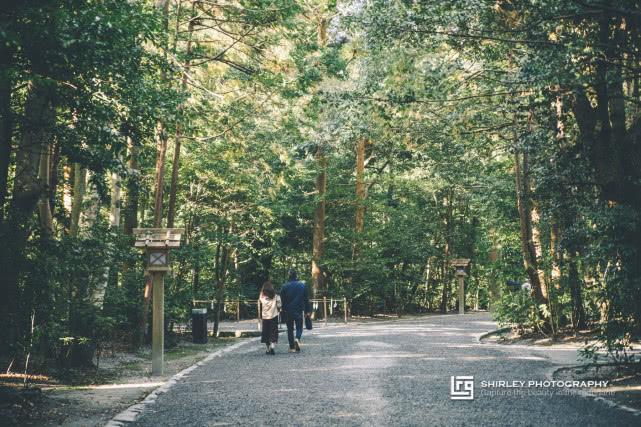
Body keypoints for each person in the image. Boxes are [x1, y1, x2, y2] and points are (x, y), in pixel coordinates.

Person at [280, 270, 311, 353]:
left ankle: (291, 347)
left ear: (289, 276)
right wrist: (307, 311)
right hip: (299, 309)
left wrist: (282, 310)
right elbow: (306, 299)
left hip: (288, 310)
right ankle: (297, 338)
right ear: (296, 275)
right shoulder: (302, 285)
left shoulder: (284, 286)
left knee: (290, 329)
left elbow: (282, 300)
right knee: (299, 326)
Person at [259, 281, 281, 355]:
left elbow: (260, 299)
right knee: (273, 332)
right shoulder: (276, 296)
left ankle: (268, 349)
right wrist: (278, 308)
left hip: (265, 317)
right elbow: (279, 305)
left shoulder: (262, 297)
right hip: (274, 316)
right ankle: (272, 346)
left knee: (266, 332)